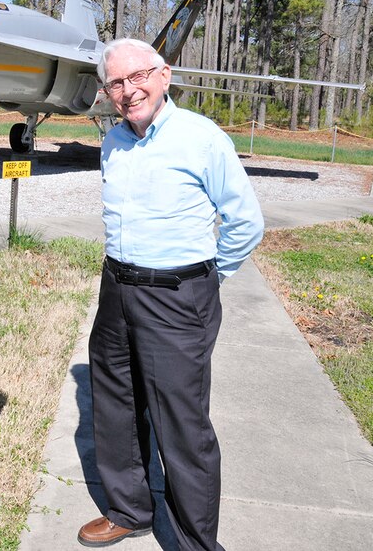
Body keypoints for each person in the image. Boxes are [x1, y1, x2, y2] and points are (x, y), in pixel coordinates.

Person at [77, 38, 264, 550]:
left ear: (165, 75)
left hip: (177, 296)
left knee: (181, 425)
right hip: (116, 288)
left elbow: (246, 223)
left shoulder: (201, 138)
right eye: (116, 82)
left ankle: (195, 542)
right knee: (114, 403)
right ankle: (130, 508)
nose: (128, 90)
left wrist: (206, 277)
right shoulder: (113, 141)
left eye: (138, 76)